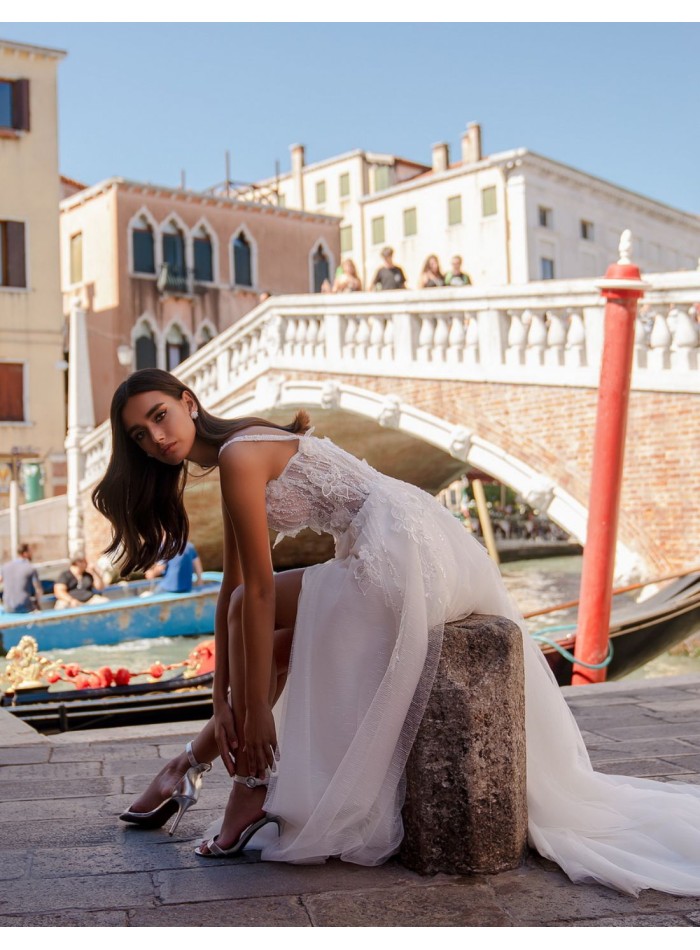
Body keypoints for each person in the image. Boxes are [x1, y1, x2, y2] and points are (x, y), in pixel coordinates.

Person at [95, 368, 700, 894]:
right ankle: (192, 769)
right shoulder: (230, 455)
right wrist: (222, 704)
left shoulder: (236, 454)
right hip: (405, 545)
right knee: (271, 644)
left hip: (401, 551)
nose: (158, 437)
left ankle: (241, 779)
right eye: (142, 436)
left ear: (188, 401)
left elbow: (254, 592)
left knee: (263, 640)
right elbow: (234, 588)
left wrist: (251, 708)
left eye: (160, 416)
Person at [0, 543, 43, 613]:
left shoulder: (5, 567)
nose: (32, 554)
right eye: (30, 552)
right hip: (24, 606)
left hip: (7, 607)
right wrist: (37, 603)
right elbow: (38, 590)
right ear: (25, 553)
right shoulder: (30, 568)